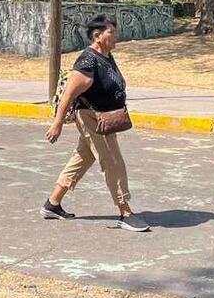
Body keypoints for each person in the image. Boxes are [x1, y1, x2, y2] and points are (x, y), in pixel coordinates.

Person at [44, 15, 149, 232]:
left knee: (82, 158)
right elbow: (68, 95)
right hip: (92, 117)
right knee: (111, 160)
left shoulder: (106, 56)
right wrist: (57, 123)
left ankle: (52, 204)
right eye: (111, 33)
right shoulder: (88, 61)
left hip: (105, 118)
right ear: (97, 36)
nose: (116, 37)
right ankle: (125, 211)